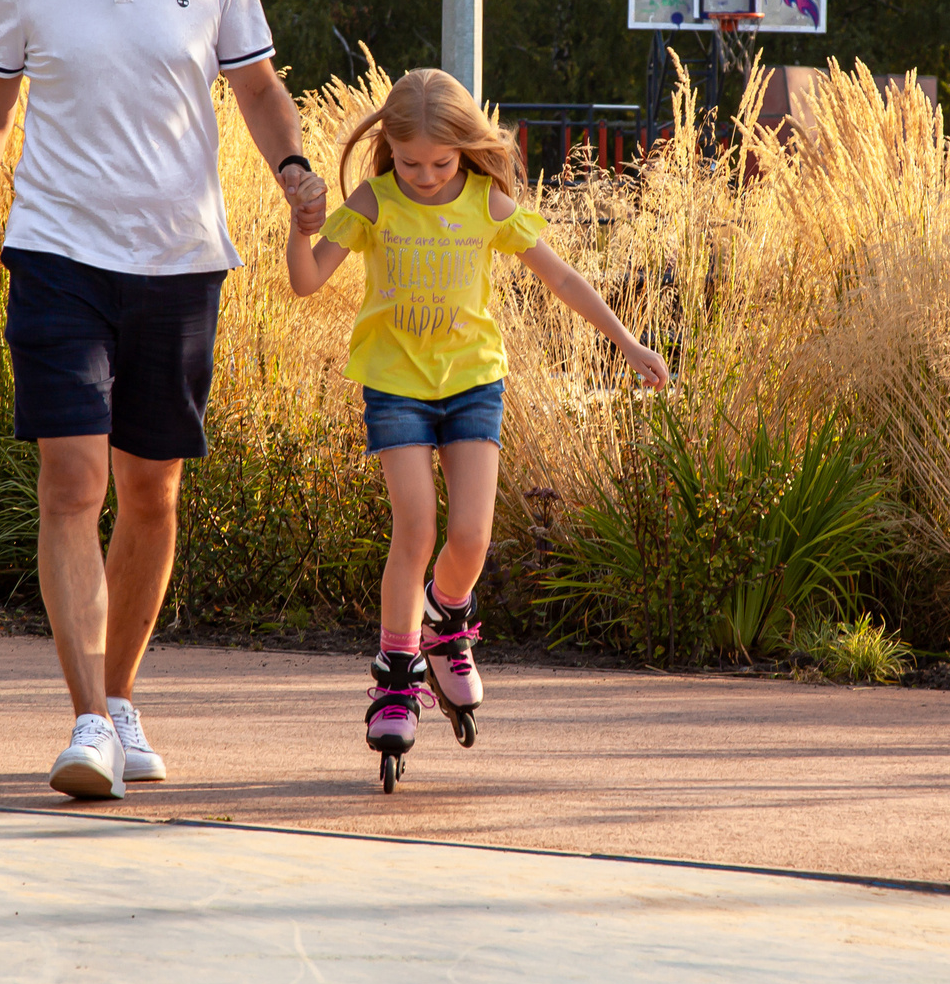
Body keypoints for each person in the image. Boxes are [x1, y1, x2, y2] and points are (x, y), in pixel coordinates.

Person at [0, 0, 325, 801]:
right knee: (73, 483)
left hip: (181, 263)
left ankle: (119, 700)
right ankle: (83, 720)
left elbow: (256, 89)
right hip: (59, 256)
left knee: (152, 493)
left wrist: (293, 174)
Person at [284, 68, 667, 790]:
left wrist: (627, 340)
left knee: (471, 537)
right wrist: (298, 228)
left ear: (466, 148)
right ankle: (397, 675)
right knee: (416, 530)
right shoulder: (375, 201)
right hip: (396, 385)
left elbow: (561, 278)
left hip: (471, 384)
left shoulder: (486, 203)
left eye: (441, 161)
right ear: (387, 150)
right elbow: (306, 281)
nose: (425, 176)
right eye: (409, 161)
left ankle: (446, 621)